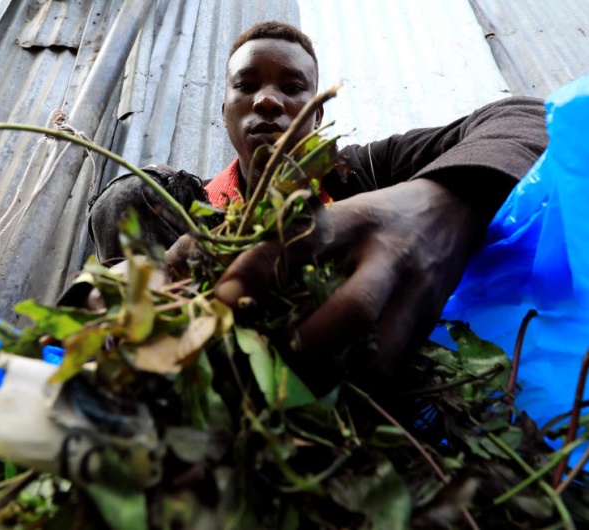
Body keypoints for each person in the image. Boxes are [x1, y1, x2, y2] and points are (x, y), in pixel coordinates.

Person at [87, 21, 548, 393]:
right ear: (225, 108)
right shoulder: (176, 208)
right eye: (246, 85)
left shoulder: (365, 173)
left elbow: (530, 117)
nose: (267, 100)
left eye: (292, 86)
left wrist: (441, 203)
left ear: (317, 112)